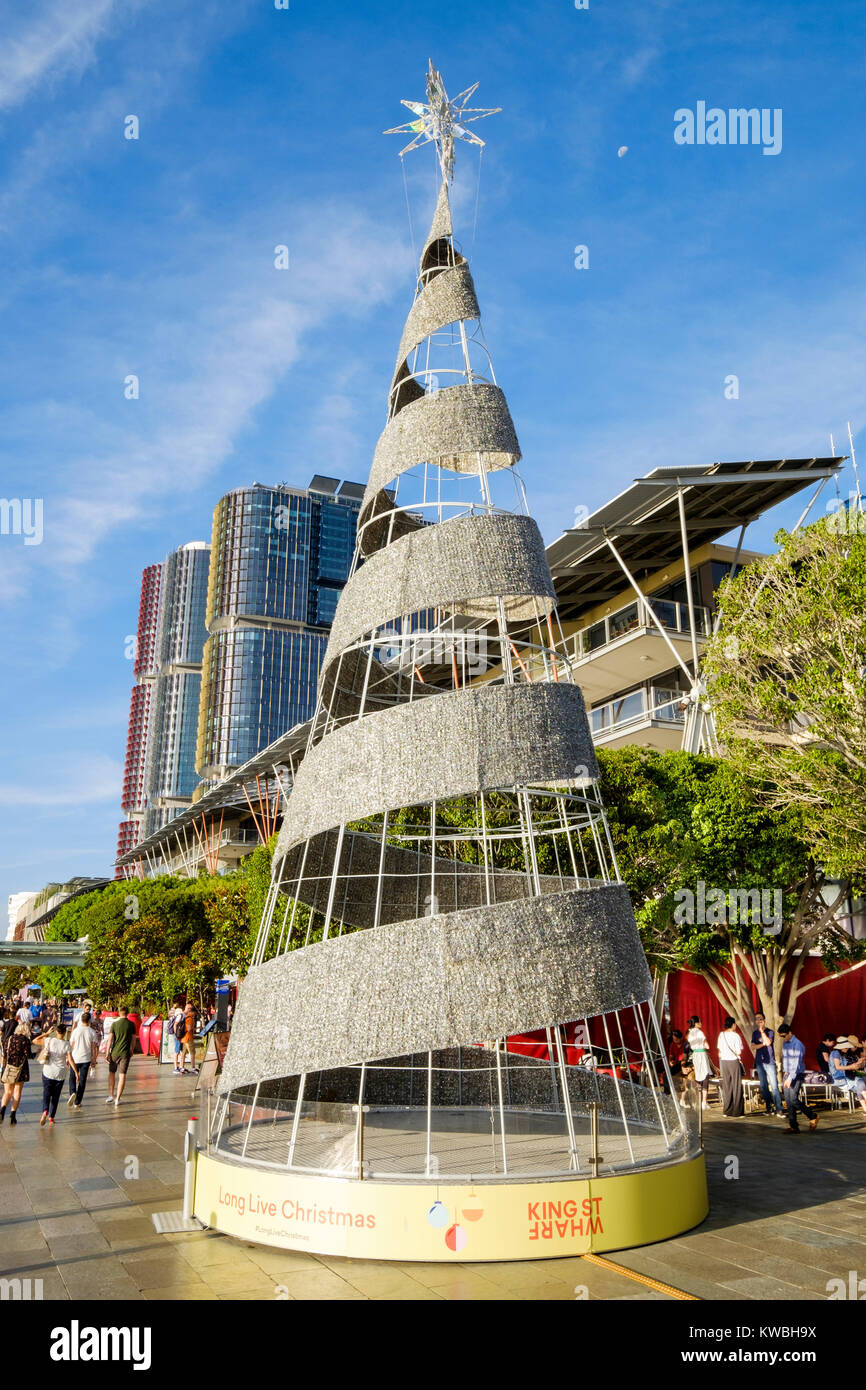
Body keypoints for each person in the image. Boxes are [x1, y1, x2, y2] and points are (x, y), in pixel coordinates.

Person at [778, 1023, 819, 1134]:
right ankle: (794, 1126)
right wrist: (785, 1074)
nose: (783, 1038)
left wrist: (790, 1078)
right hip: (787, 1074)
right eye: (781, 1036)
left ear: (790, 1033)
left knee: (793, 1099)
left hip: (796, 1074)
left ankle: (812, 1115)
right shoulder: (785, 1043)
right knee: (788, 1101)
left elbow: (796, 1064)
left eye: (784, 1035)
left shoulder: (798, 1045)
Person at [38, 1023, 78, 1126]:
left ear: (56, 1031)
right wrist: (76, 1072)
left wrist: (46, 1033)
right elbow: (70, 1060)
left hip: (48, 1071)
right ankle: (51, 1117)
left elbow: (35, 1040)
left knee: (46, 1093)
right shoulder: (66, 1044)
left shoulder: (49, 1040)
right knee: (56, 1096)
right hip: (60, 1073)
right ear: (64, 1033)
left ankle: (45, 1111)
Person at [750, 1012, 784, 1117]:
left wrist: (762, 1032)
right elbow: (753, 1046)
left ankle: (779, 1109)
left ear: (764, 1020)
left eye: (760, 1019)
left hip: (770, 1062)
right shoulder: (754, 1033)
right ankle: (769, 1108)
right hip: (760, 1062)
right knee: (764, 1086)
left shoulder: (770, 1032)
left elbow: (769, 1042)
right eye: (757, 1019)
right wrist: (762, 1044)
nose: (758, 1021)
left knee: (774, 1086)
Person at [67, 1010, 99, 1109]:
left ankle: (72, 1092)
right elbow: (94, 1048)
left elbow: (71, 1045)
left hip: (75, 1057)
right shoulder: (92, 1032)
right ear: (89, 1020)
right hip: (86, 1058)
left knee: (72, 1076)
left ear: (81, 1020)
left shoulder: (75, 1031)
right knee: (82, 1080)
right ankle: (77, 1102)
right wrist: (94, 1059)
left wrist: (68, 1057)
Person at [0, 1022, 31, 1124]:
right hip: (20, 1070)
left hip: (8, 1068)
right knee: (17, 1092)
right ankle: (13, 1115)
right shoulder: (25, 1041)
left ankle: (2, 1110)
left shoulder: (9, 1039)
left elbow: (4, 1053)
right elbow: (28, 1055)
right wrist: (37, 1052)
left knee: (7, 1092)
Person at [106, 1006, 136, 1107]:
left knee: (111, 1073)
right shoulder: (131, 1024)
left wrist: (107, 1052)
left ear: (119, 1013)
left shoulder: (114, 1024)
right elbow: (133, 1039)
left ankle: (111, 1095)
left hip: (114, 1052)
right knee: (122, 1075)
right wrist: (132, 1049)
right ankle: (117, 1099)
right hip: (125, 1053)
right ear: (127, 1013)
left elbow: (110, 1039)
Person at [828, 1037, 866, 1114]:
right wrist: (851, 1067)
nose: (847, 1049)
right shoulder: (835, 1053)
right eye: (846, 1047)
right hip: (840, 1079)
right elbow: (837, 1067)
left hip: (847, 1078)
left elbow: (849, 1066)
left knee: (861, 1086)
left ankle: (865, 1109)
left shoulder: (842, 1054)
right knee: (861, 1085)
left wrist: (858, 1063)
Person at [717, 1016, 745, 1116]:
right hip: (733, 1061)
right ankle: (737, 1111)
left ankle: (727, 1110)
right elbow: (739, 1051)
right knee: (736, 1086)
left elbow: (719, 1050)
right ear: (733, 1024)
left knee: (727, 1085)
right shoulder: (736, 1036)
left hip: (724, 1062)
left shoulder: (721, 1035)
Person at [686, 1015, 712, 1109]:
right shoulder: (700, 1032)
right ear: (696, 1023)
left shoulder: (689, 1033)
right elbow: (707, 1045)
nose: (701, 1024)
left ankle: (695, 1100)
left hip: (695, 1055)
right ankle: (704, 1102)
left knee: (696, 1076)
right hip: (701, 1055)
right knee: (705, 1077)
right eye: (700, 1022)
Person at [181, 999, 199, 1075]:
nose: (194, 1015)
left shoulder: (185, 1017)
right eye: (194, 1013)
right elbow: (188, 1028)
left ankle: (181, 1067)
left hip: (184, 1038)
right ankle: (193, 1067)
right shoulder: (190, 1019)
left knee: (183, 1054)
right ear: (192, 1012)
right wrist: (194, 1028)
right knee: (192, 1053)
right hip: (189, 1038)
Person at [168, 1002, 185, 1075]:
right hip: (178, 1035)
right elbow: (175, 1024)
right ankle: (175, 1068)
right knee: (177, 1051)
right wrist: (176, 1034)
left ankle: (180, 1067)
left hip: (178, 1035)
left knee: (180, 1051)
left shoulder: (178, 1015)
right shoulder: (180, 1015)